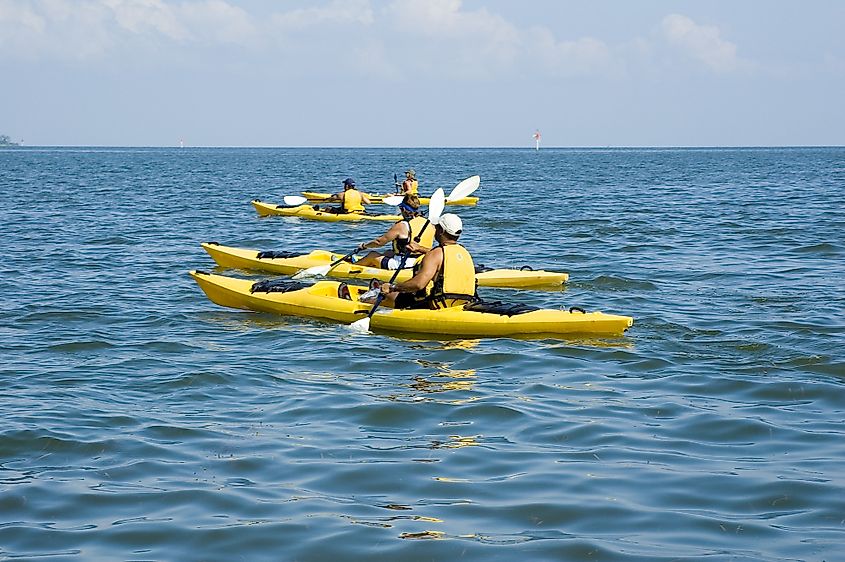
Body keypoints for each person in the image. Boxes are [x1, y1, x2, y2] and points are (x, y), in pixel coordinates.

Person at [375, 213, 477, 310]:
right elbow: (442, 255)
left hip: (438, 304)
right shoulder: (464, 252)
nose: (434, 229)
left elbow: (418, 284)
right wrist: (419, 249)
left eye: (437, 227)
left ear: (441, 231)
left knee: (388, 295)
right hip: (463, 301)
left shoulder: (435, 254)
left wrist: (393, 287)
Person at [354, 194, 434, 269]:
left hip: (403, 264)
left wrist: (364, 246)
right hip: (420, 261)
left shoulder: (402, 225)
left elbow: (379, 242)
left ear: (403, 209)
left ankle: (353, 267)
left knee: (372, 255)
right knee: (389, 252)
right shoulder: (428, 223)